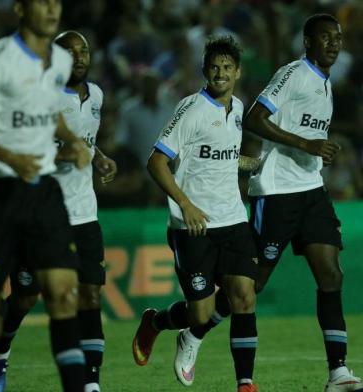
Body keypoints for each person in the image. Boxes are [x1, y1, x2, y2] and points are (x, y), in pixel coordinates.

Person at [164, 14, 363, 392]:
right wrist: (305, 144)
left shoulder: (325, 82)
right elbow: (255, 117)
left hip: (311, 190)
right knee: (251, 287)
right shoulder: (294, 74)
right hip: (275, 193)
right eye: (325, 37)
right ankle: (195, 332)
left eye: (338, 38)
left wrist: (312, 152)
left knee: (331, 274)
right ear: (308, 42)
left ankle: (337, 371)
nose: (334, 44)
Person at [0, 30, 117, 392]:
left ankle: (91, 383)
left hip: (84, 213)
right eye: (70, 52)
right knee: (25, 298)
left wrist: (100, 159)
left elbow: (86, 139)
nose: (79, 57)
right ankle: (0, 351)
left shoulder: (96, 96)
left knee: (88, 295)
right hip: (40, 212)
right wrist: (61, 155)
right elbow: (25, 151)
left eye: (83, 50)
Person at [132, 36, 259, 392]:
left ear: (238, 72)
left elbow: (222, 156)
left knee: (244, 296)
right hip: (194, 226)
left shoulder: (238, 107)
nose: (221, 73)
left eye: (227, 67)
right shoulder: (191, 109)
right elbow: (156, 162)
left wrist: (254, 165)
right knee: (200, 315)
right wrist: (185, 204)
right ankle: (157, 324)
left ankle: (246, 383)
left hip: (233, 219)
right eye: (214, 67)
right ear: (205, 71)